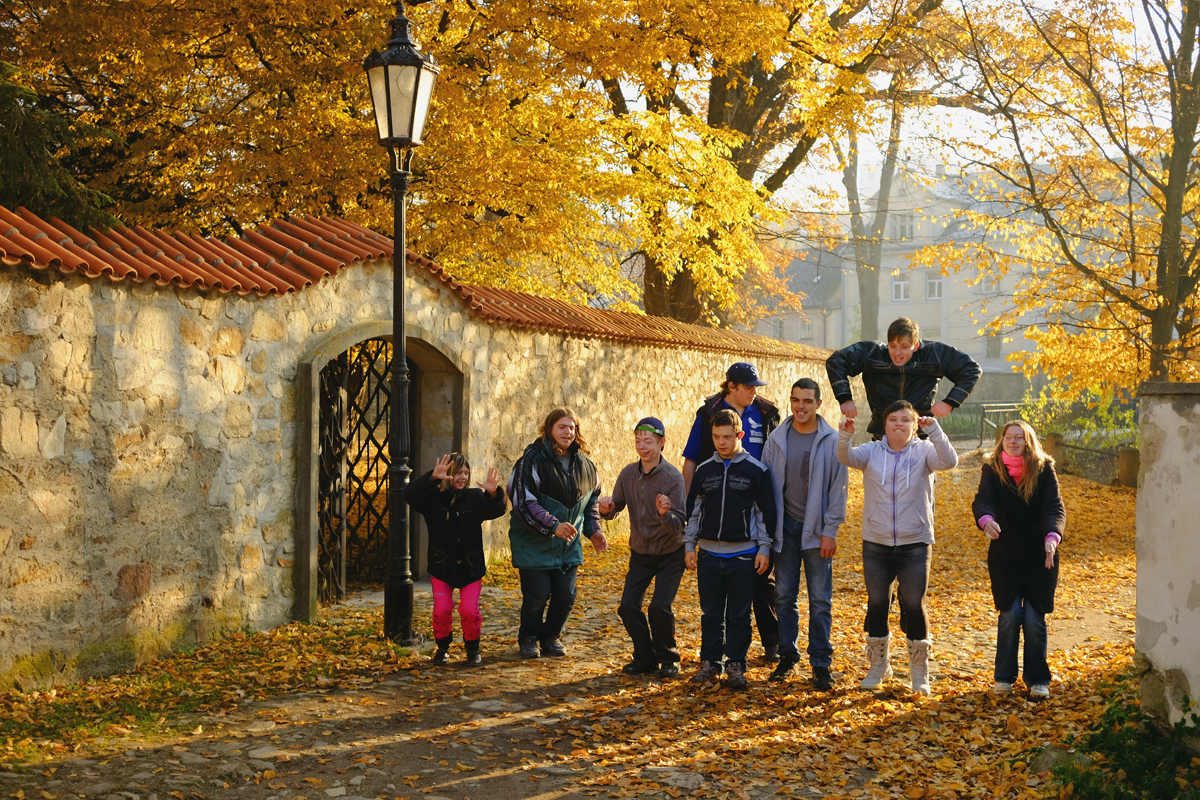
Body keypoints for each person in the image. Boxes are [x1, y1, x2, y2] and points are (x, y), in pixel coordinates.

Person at [836, 399, 958, 696]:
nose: (899, 424)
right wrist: (845, 434)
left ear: (915, 426)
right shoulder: (872, 451)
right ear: (885, 424)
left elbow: (950, 461)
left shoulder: (925, 452)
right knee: (877, 603)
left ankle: (919, 670)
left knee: (914, 604)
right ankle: (879, 665)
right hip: (876, 542)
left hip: (915, 542)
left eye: (905, 419)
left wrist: (935, 431)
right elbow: (845, 457)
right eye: (893, 419)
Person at [681, 362, 782, 661]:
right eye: (748, 387)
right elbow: (691, 460)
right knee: (715, 608)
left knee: (763, 585)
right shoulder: (708, 414)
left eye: (755, 387)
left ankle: (771, 644)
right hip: (716, 509)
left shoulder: (766, 412)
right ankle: (714, 659)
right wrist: (689, 513)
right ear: (731, 387)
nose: (754, 392)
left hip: (755, 510)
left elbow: (775, 460)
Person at [762, 378, 848, 689]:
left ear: (818, 404)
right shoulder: (776, 439)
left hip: (816, 530)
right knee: (784, 596)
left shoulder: (831, 440)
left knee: (820, 600)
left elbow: (838, 490)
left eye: (807, 401)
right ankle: (788, 655)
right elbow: (765, 489)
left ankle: (821, 663)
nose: (801, 406)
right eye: (796, 400)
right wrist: (766, 535)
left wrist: (830, 531)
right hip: (784, 530)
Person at [971, 420, 1066, 699]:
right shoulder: (992, 469)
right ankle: (1004, 678)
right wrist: (986, 519)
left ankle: (1038, 680)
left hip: (1041, 557)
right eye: (1008, 437)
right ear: (1002, 440)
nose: (1013, 441)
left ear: (1028, 442)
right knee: (1010, 615)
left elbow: (1054, 507)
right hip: (1006, 557)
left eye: (1019, 437)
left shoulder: (1044, 469)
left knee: (1035, 619)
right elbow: (983, 500)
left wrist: (1052, 537)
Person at [508, 408, 608, 659]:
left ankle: (551, 637)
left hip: (567, 548)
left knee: (566, 596)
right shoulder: (530, 461)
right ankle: (529, 638)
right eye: (562, 427)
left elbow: (592, 502)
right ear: (549, 428)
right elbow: (523, 502)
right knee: (537, 596)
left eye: (572, 427)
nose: (568, 432)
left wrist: (594, 530)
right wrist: (553, 525)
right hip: (534, 546)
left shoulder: (586, 465)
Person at [598, 417, 688, 679]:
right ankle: (645, 658)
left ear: (662, 443)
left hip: (671, 553)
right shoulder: (628, 474)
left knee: (659, 607)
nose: (642, 446)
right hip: (641, 553)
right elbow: (615, 507)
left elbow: (679, 525)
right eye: (638, 440)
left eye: (648, 441)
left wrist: (664, 514)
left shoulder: (673, 478)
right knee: (627, 606)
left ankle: (668, 658)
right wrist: (606, 510)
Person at [404, 453, 507, 666]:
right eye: (458, 473)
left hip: (470, 567)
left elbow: (498, 509)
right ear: (448, 474)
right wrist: (431, 478)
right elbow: (409, 495)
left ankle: (473, 648)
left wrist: (494, 493)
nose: (463, 477)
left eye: (466, 473)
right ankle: (442, 647)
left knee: (469, 611)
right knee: (442, 610)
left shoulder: (475, 497)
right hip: (442, 566)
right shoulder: (433, 498)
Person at [826, 317, 982, 440]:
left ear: (916, 345)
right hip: (882, 435)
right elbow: (836, 361)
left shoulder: (934, 353)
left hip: (920, 435)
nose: (897, 353)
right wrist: (844, 398)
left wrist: (950, 402)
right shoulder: (873, 353)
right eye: (892, 345)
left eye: (904, 346)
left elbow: (971, 369)